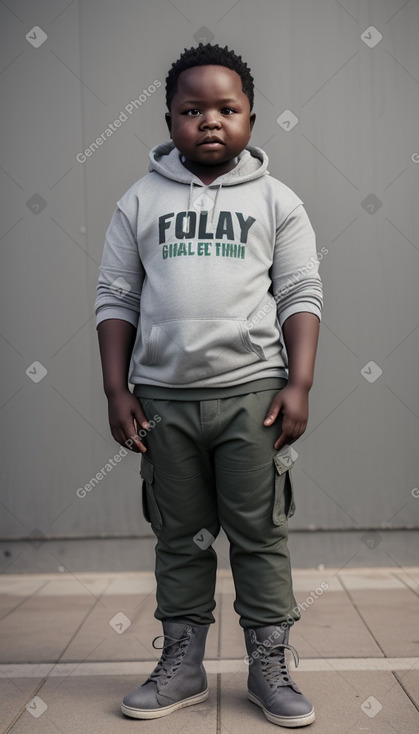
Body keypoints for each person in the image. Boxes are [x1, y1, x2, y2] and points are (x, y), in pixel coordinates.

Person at [95, 43, 323, 728]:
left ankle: (269, 667)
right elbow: (115, 296)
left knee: (258, 534)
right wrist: (116, 390)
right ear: (169, 119)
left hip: (253, 398)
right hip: (163, 402)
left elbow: (299, 291)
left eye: (227, 109)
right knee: (180, 537)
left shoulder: (277, 200)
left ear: (251, 116)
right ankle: (183, 666)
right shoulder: (138, 201)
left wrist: (300, 382)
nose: (210, 122)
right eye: (192, 111)